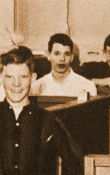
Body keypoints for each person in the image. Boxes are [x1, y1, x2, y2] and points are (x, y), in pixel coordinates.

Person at [0, 46, 83, 175]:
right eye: (9, 77)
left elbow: (77, 164)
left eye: (23, 77)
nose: (16, 84)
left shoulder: (49, 121)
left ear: (33, 78)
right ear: (1, 78)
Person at [30, 33, 97, 97]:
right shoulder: (36, 87)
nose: (62, 58)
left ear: (72, 57)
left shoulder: (87, 86)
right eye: (57, 53)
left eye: (67, 54)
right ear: (48, 55)